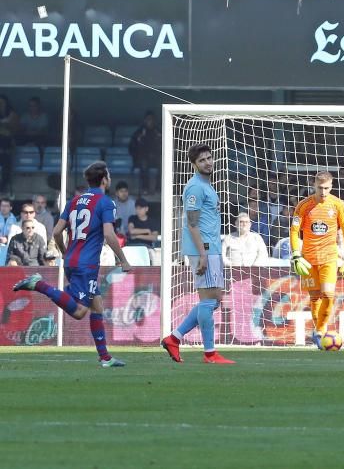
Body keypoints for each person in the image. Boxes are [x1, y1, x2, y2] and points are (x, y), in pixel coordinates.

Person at [13, 161, 131, 367]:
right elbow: (109, 234)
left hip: (72, 260)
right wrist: (123, 259)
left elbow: (57, 232)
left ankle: (105, 358)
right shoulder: (106, 202)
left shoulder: (74, 201)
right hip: (87, 265)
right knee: (79, 311)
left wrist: (65, 251)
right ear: (104, 179)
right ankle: (38, 284)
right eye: (108, 176)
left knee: (97, 305)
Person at [160, 144, 234, 364]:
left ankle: (174, 338)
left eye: (210, 158)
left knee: (213, 300)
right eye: (202, 160)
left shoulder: (207, 185)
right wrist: (202, 254)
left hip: (211, 248)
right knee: (210, 299)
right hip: (205, 249)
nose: (208, 162)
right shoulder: (194, 188)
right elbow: (192, 224)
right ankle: (209, 353)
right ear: (194, 164)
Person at [290, 171, 344, 348]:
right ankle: (319, 330)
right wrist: (296, 253)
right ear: (314, 186)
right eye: (320, 188)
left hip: (329, 257)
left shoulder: (338, 205)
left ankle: (319, 331)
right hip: (309, 259)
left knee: (328, 294)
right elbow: (294, 231)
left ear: (331, 186)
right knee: (315, 296)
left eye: (326, 188)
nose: (323, 191)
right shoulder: (303, 206)